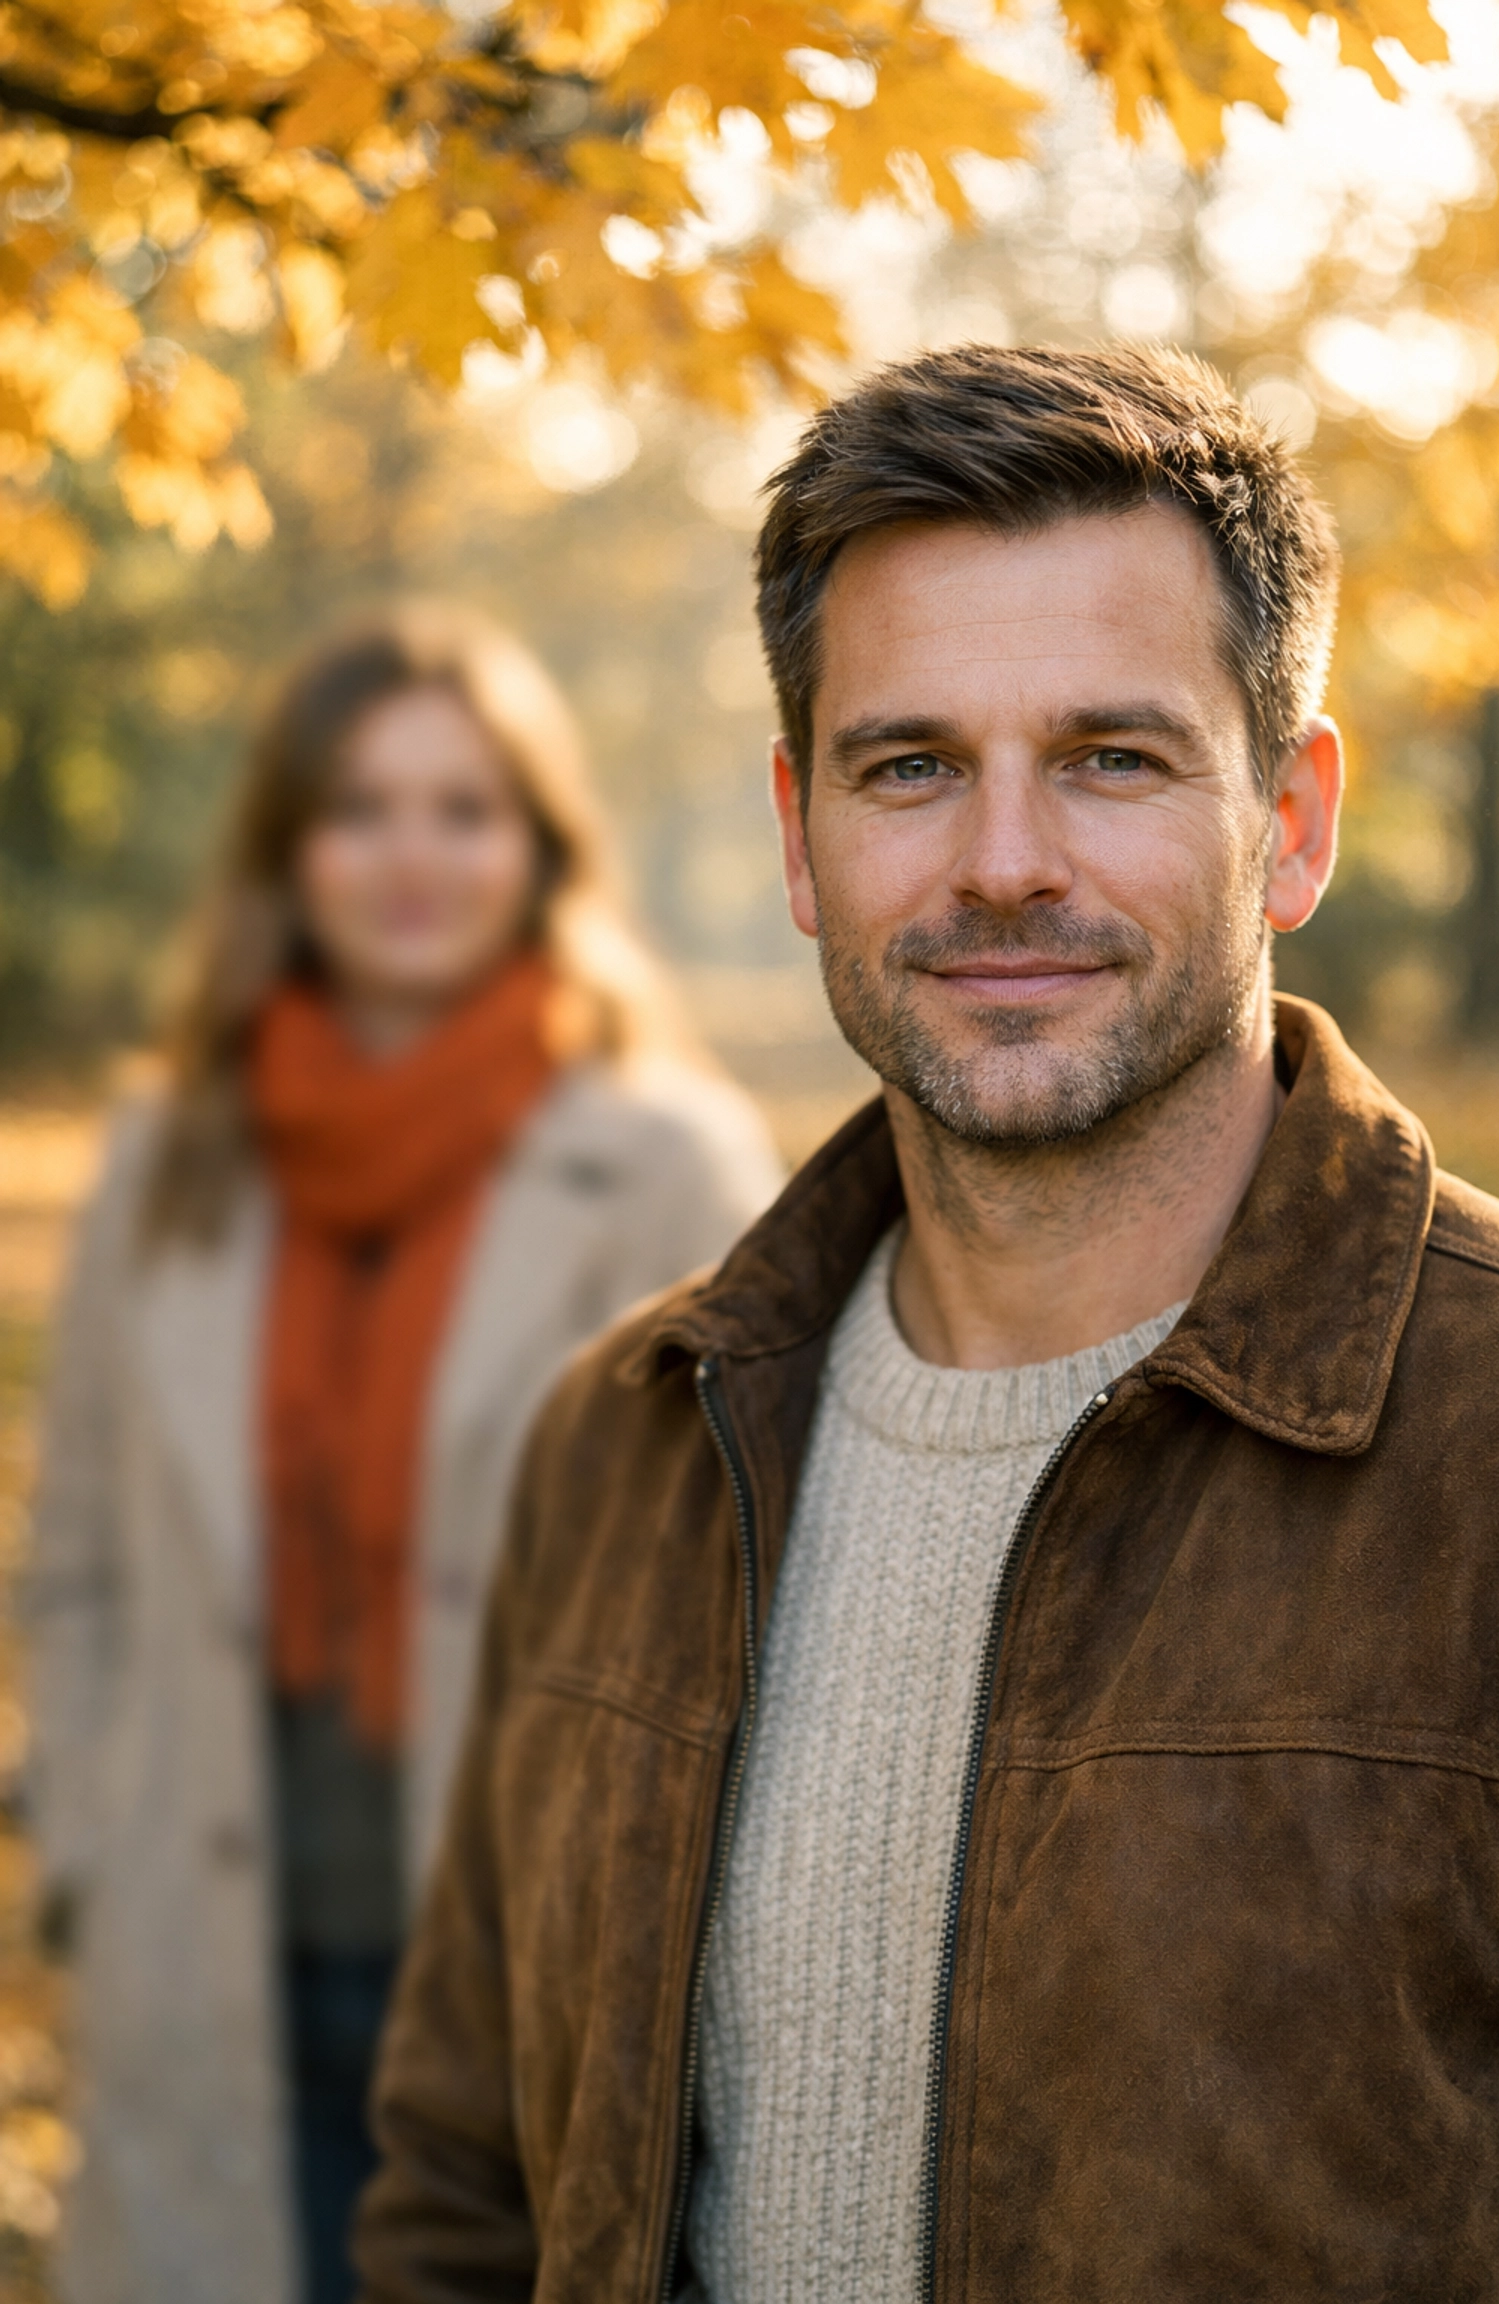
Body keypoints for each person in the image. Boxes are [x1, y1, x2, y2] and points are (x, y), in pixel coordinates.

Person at [356, 345, 1499, 2304]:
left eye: (1112, 757)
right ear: (805, 836)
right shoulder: (630, 1439)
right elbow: (466, 2189)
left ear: (1295, 822)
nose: (1004, 861)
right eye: (911, 765)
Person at [26, 600, 782, 2304]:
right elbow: (75, 1552)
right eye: (360, 809)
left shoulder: (667, 1167)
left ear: (539, 845)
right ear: (289, 855)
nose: (411, 857)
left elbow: (757, 1580)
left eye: (464, 808)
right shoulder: (169, 1162)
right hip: (207, 1948)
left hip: (530, 1970)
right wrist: (87, 1835)